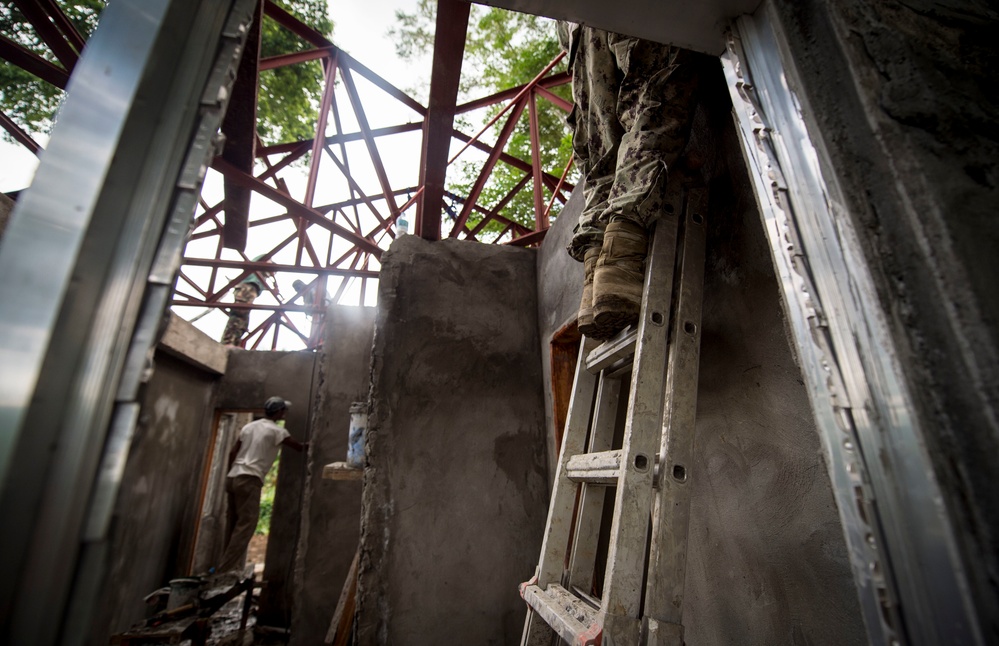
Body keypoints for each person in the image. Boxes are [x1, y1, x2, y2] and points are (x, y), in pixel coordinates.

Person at [557, 22, 701, 339]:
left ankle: (596, 274)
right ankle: (621, 256)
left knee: (600, 147)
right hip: (623, 15)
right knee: (655, 94)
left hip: (579, 33)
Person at [217, 396, 307, 573]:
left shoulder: (249, 427)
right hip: (250, 479)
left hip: (234, 477)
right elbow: (298, 447)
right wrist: (312, 445)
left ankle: (226, 564)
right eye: (284, 411)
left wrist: (232, 472)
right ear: (280, 412)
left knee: (233, 523)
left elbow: (232, 453)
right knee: (246, 525)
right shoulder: (277, 431)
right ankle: (225, 570)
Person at [221, 258, 271, 346]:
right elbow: (263, 261)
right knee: (238, 313)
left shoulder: (260, 278)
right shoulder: (264, 259)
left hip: (251, 289)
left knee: (244, 319)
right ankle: (227, 342)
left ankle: (234, 342)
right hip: (247, 287)